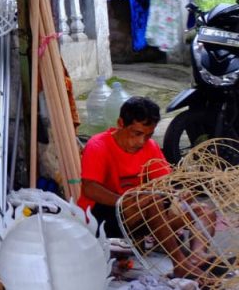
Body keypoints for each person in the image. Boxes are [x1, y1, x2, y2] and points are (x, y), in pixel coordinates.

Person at [78, 96, 216, 278]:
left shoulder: (149, 147)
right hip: (103, 216)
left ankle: (198, 257)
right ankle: (180, 265)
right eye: (136, 133)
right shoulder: (98, 145)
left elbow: (164, 183)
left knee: (203, 210)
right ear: (120, 123)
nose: (142, 141)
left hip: (144, 214)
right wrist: (123, 201)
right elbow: (89, 188)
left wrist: (178, 195)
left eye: (148, 135)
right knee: (151, 200)